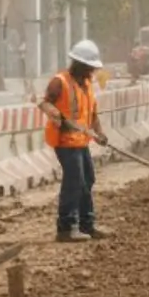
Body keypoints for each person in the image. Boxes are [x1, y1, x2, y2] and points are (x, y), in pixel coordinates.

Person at [39, 40, 110, 243]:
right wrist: (57, 117)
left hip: (82, 141)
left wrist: (99, 132)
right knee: (74, 182)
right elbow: (44, 103)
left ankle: (87, 225)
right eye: (90, 67)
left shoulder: (87, 85)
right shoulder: (59, 81)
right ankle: (66, 227)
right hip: (65, 142)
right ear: (80, 65)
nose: (92, 71)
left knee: (88, 179)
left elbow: (92, 114)